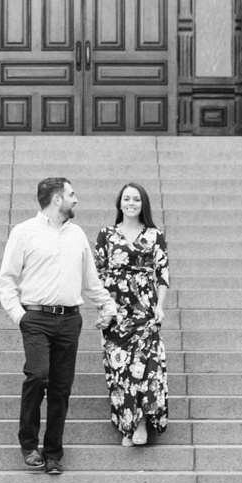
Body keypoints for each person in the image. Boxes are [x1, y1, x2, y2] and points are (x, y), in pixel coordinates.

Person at [0, 176, 118, 476]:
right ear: (57, 199)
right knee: (38, 377)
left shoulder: (76, 234)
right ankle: (28, 444)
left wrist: (107, 303)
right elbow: (6, 281)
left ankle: (52, 453)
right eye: (72, 194)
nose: (76, 200)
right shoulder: (24, 232)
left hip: (69, 320)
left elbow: (90, 280)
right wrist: (20, 316)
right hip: (36, 319)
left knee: (62, 388)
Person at [93, 182, 170, 446]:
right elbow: (97, 276)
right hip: (116, 313)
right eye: (127, 199)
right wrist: (103, 309)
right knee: (120, 370)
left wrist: (160, 306)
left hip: (145, 310)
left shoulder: (155, 235)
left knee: (146, 368)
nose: (131, 203)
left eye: (136, 199)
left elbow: (163, 275)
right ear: (119, 203)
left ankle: (140, 423)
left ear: (143, 204)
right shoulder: (106, 235)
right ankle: (126, 425)